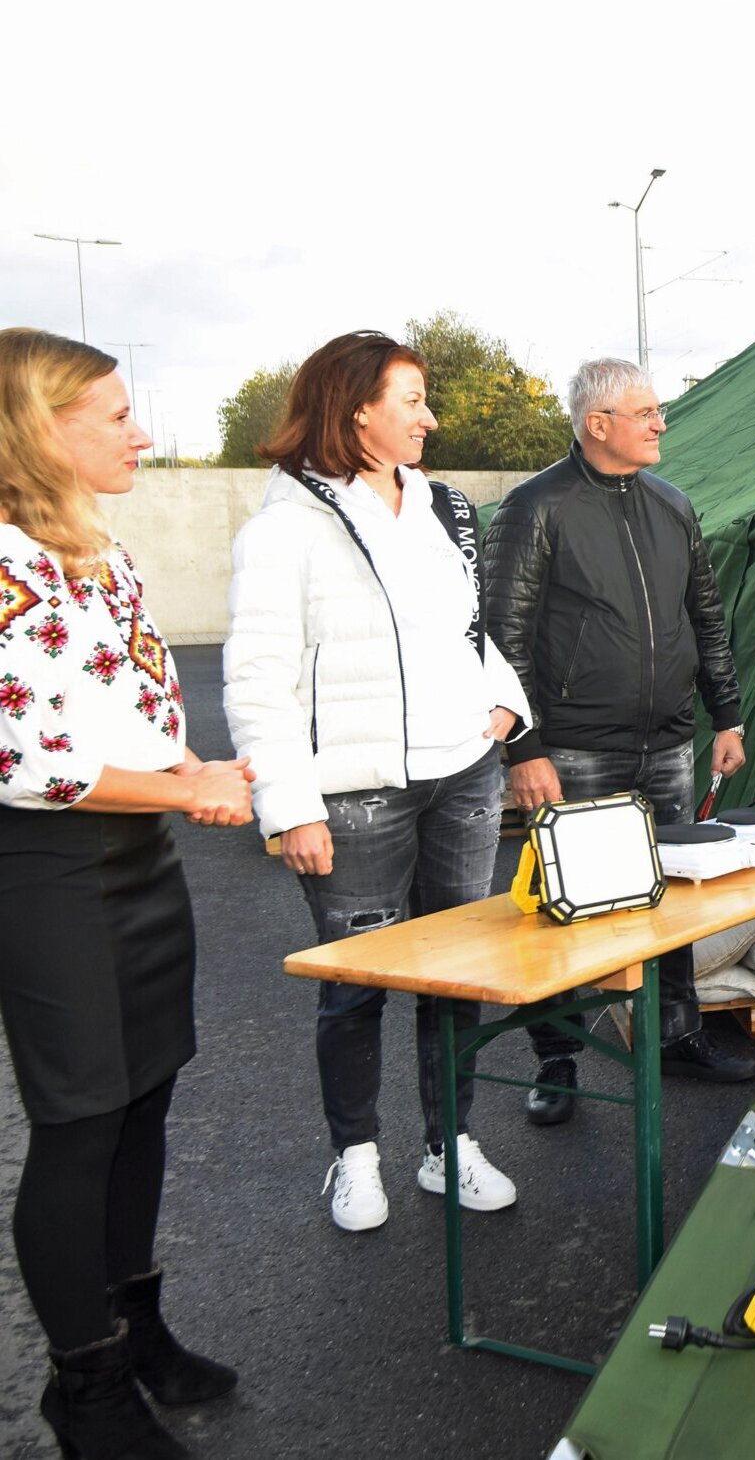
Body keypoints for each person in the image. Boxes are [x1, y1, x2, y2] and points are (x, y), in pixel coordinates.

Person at [0, 328, 251, 1459]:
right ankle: (86, 1390)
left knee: (144, 1098)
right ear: (35, 429)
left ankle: (135, 1329)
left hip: (138, 854)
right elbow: (24, 761)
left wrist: (196, 772)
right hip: (47, 870)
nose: (140, 433)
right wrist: (186, 790)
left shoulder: (100, 547)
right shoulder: (5, 563)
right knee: (80, 1123)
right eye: (112, 414)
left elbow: (137, 713)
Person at [224, 330, 532, 1232]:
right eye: (412, 400)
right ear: (357, 409)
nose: (429, 417)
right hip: (353, 795)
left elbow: (465, 628)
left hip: (462, 775)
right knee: (356, 983)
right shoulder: (283, 529)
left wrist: (503, 704)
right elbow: (257, 679)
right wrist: (289, 807)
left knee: (458, 976)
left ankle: (449, 1145)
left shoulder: (440, 509)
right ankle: (356, 1159)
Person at [484, 357, 755, 1115]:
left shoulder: (673, 504)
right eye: (647, 413)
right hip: (572, 747)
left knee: (669, 897)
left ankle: (675, 1034)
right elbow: (502, 637)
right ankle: (557, 1061)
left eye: (659, 411)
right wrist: (524, 749)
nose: (662, 424)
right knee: (566, 907)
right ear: (597, 424)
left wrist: (727, 715)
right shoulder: (534, 507)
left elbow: (707, 617)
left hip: (668, 743)